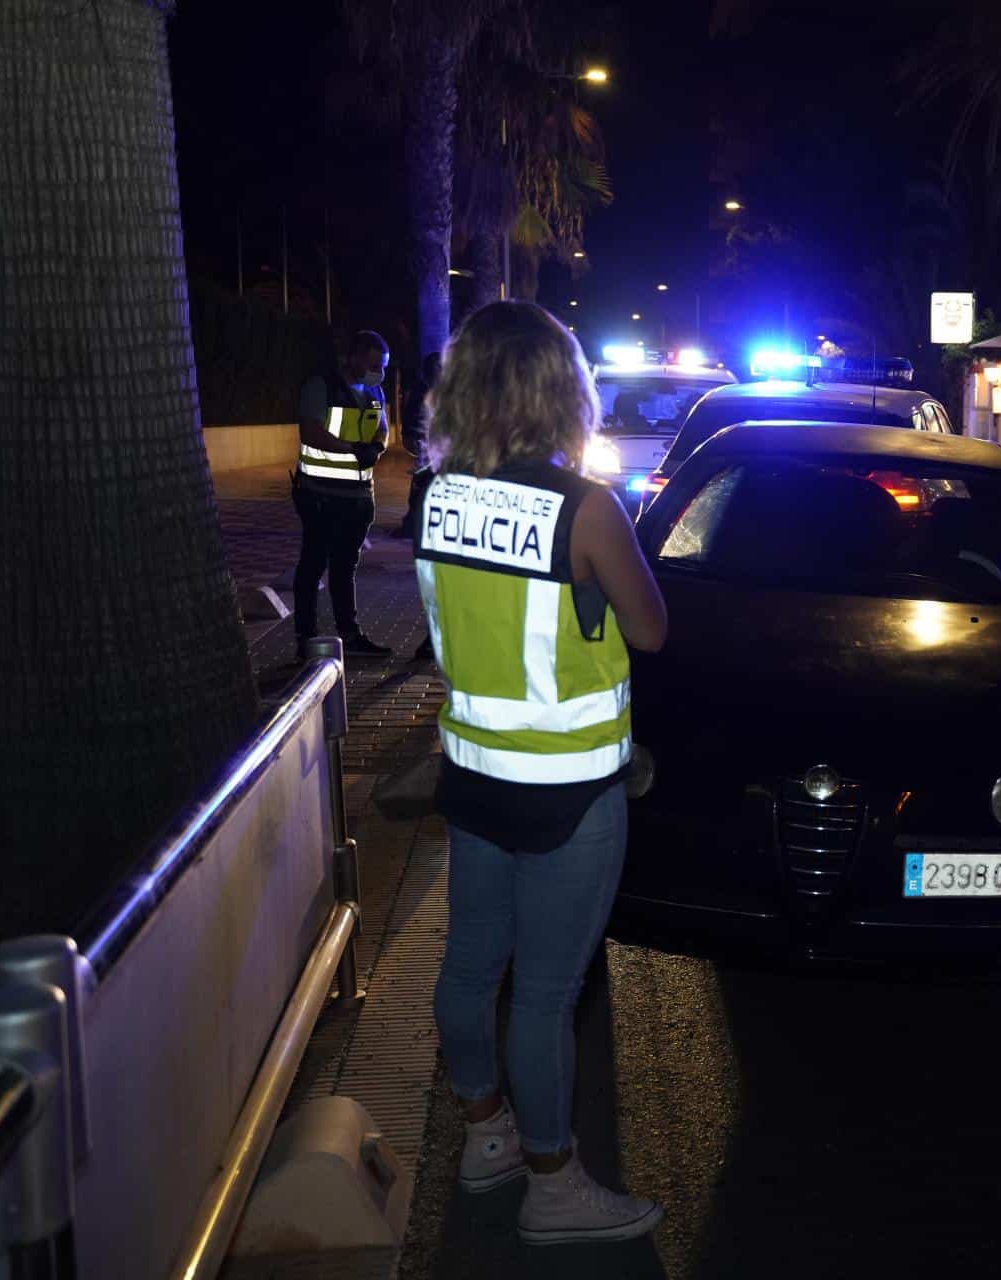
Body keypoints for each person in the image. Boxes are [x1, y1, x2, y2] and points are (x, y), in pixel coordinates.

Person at [418, 301, 668, 1244]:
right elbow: (650, 630)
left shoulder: (437, 495)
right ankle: (554, 1188)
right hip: (567, 791)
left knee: (470, 965)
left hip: (473, 778)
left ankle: (486, 1133)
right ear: (563, 390)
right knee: (547, 994)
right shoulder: (587, 507)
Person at [293, 330, 394, 659]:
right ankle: (306, 639)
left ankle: (349, 636)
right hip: (320, 495)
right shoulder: (321, 387)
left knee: (345, 567)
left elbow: (382, 427)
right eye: (372, 364)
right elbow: (310, 431)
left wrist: (377, 447)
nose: (377, 371)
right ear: (351, 358)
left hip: (357, 497)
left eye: (381, 366)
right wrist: (353, 449)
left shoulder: (374, 391)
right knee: (313, 566)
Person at [395, 350, 442, 540]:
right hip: (426, 446)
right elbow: (413, 420)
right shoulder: (424, 392)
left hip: (434, 448)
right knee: (422, 484)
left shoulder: (440, 393)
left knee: (424, 484)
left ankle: (417, 523)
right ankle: (414, 524)